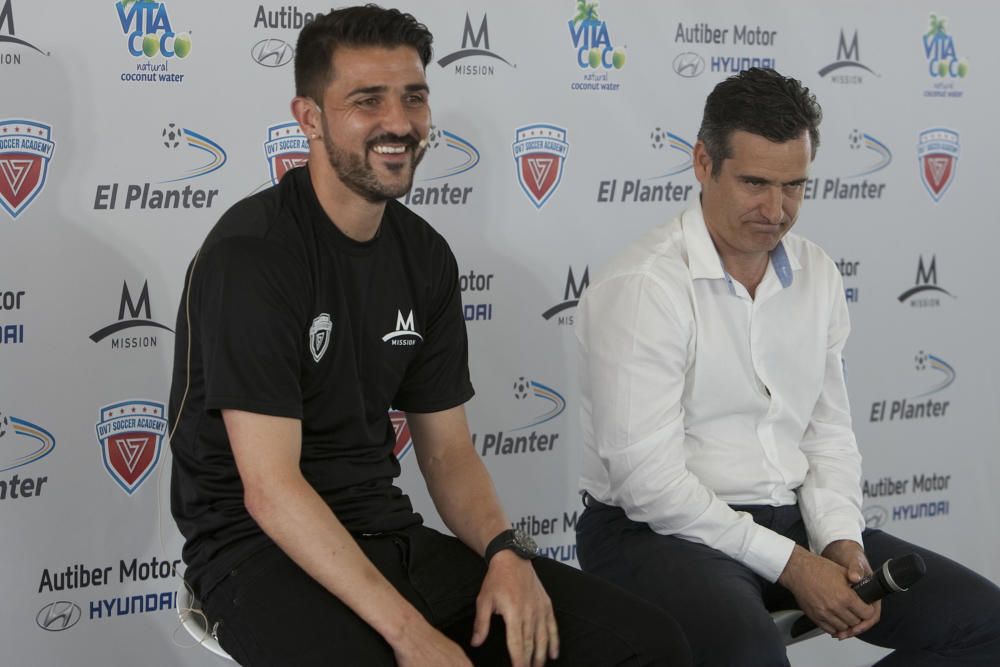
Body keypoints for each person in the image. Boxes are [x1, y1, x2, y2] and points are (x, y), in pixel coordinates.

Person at [168, 5, 691, 667]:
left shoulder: (425, 255)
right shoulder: (254, 253)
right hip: (255, 555)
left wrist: (506, 553)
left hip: (388, 534)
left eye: (413, 97)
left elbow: (447, 452)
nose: (398, 122)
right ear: (308, 118)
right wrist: (411, 633)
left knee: (648, 646)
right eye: (367, 100)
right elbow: (271, 489)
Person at [574, 67, 1000, 666]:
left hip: (788, 518)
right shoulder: (644, 286)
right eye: (755, 183)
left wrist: (840, 540)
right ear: (703, 163)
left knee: (988, 627)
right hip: (653, 532)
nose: (776, 210)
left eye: (794, 186)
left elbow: (827, 433)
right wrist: (797, 565)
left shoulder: (817, 272)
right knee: (750, 655)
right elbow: (651, 488)